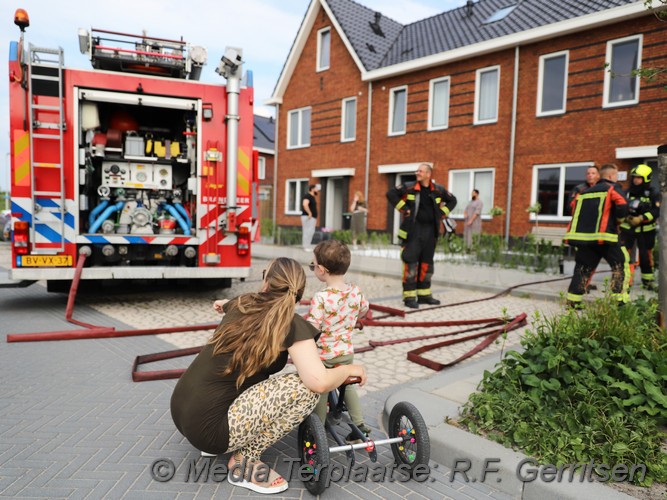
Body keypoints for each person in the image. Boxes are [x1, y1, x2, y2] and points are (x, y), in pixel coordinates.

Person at [170, 257, 367, 495]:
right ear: (299, 292)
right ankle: (244, 462)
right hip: (210, 431)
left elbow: (227, 304)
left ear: (266, 281)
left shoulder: (242, 302)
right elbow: (320, 381)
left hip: (182, 411)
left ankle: (223, 438)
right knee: (307, 389)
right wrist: (348, 369)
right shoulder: (291, 325)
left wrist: (223, 304)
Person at [306, 240, 370, 443]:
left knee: (322, 385)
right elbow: (364, 309)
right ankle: (359, 425)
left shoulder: (321, 297)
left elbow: (313, 326)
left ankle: (317, 426)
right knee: (347, 384)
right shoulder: (355, 291)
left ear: (322, 270)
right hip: (345, 352)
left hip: (324, 354)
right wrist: (350, 318)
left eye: (313, 265)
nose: (313, 268)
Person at [386, 163, 457, 309]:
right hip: (413, 231)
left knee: (427, 264)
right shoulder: (409, 186)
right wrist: (405, 209)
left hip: (431, 232)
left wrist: (441, 213)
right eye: (417, 170)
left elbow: (453, 200)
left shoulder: (438, 190)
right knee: (410, 262)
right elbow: (391, 194)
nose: (417, 172)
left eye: (421, 171)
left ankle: (424, 295)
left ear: (428, 174)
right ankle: (409, 297)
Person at [564, 163, 630, 309]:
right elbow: (623, 205)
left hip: (585, 239)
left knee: (582, 269)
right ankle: (619, 302)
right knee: (621, 265)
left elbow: (573, 208)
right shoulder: (612, 188)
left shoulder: (584, 192)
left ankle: (573, 302)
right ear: (612, 176)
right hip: (606, 238)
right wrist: (618, 222)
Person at [619, 164, 660, 292]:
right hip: (628, 229)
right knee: (625, 255)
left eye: (639, 178)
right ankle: (626, 282)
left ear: (646, 179)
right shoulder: (626, 192)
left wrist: (642, 218)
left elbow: (657, 211)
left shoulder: (653, 194)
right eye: (634, 177)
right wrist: (627, 218)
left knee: (646, 256)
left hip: (646, 231)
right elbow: (620, 208)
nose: (636, 180)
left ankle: (647, 282)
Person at [301, 184, 319, 251]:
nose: (317, 190)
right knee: (307, 231)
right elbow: (305, 204)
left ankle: (307, 245)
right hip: (307, 216)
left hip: (312, 217)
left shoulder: (312, 197)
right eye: (316, 188)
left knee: (311, 231)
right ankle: (305, 246)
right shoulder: (307, 196)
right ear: (312, 189)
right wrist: (309, 213)